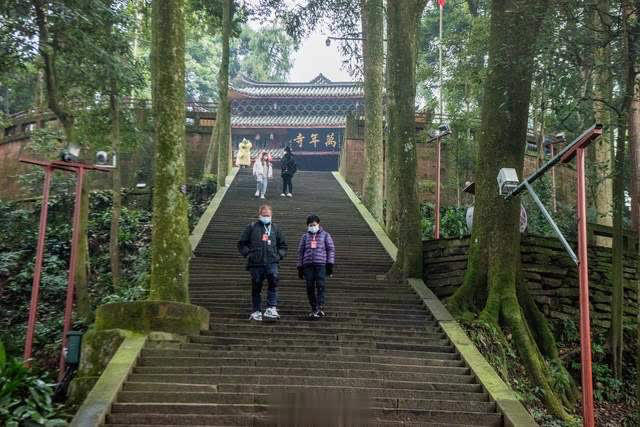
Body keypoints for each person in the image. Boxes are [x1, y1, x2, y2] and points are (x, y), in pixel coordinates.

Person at [238, 204, 288, 321]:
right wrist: (249, 254)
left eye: (268, 215)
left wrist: (278, 256)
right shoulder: (251, 227)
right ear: (259, 215)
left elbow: (283, 245)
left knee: (273, 282)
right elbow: (241, 243)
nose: (266, 217)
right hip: (256, 263)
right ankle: (256, 311)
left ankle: (271, 307)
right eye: (264, 215)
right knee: (256, 287)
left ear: (271, 215)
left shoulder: (276, 228)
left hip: (272, 262)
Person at [296, 214, 335, 319]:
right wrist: (300, 267)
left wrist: (330, 264)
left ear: (318, 224)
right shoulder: (304, 237)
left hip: (321, 264)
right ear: (307, 226)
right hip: (308, 265)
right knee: (309, 287)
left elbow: (330, 249)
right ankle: (314, 308)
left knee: (320, 285)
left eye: (314, 224)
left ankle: (320, 307)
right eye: (310, 225)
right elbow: (300, 252)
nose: (312, 227)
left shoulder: (325, 235)